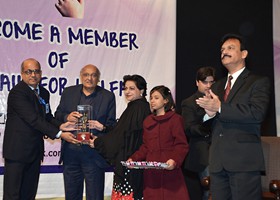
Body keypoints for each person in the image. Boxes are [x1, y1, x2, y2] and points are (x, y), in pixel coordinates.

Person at [196, 33, 271, 200]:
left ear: (244, 54)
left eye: (230, 48)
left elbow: (257, 113)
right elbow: (208, 123)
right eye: (222, 49)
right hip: (217, 161)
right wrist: (209, 115)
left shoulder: (258, 82)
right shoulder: (217, 86)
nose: (224, 52)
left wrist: (221, 107)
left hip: (243, 161)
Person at [2, 58, 79, 200]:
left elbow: (46, 116)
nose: (33, 75)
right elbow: (33, 119)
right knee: (13, 194)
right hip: (17, 152)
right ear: (22, 74)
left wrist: (61, 125)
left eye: (36, 71)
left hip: (35, 151)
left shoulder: (43, 92)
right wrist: (60, 134)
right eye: (28, 72)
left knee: (29, 193)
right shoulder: (17, 93)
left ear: (41, 73)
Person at [55, 64, 116, 200]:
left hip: (93, 153)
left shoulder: (108, 96)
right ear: (81, 76)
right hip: (71, 152)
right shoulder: (68, 92)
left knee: (94, 196)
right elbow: (57, 115)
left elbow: (112, 125)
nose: (89, 78)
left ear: (98, 78)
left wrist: (102, 127)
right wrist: (67, 117)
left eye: (94, 75)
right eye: (86, 75)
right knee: (71, 195)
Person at [89, 74, 151, 200]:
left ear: (142, 90)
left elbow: (121, 136)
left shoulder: (137, 108)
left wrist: (97, 142)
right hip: (133, 161)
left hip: (129, 163)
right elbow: (124, 131)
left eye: (132, 88)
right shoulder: (138, 106)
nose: (127, 91)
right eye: (125, 88)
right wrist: (104, 128)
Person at [128, 85, 190, 200]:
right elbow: (145, 146)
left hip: (170, 169)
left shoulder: (175, 119)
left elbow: (181, 145)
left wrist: (174, 160)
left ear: (166, 100)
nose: (152, 101)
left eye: (156, 98)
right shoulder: (148, 121)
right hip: (152, 172)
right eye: (151, 98)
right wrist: (134, 159)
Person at [181, 66, 215, 200]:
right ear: (197, 82)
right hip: (203, 152)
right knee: (210, 190)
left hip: (222, 149)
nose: (208, 85)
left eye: (211, 82)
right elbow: (189, 129)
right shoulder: (189, 103)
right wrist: (207, 118)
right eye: (204, 82)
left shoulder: (219, 99)